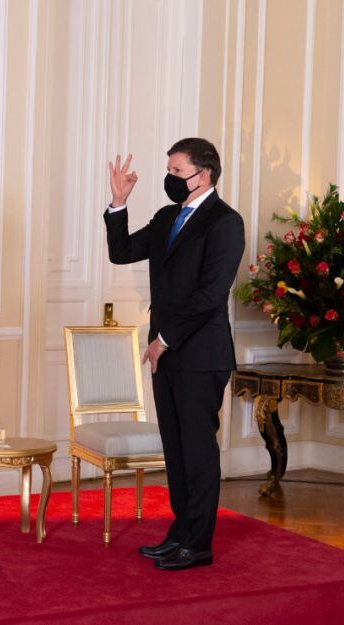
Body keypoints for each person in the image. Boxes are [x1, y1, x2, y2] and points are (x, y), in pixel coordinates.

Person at [102, 139, 245, 571]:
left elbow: (210, 295)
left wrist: (163, 340)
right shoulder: (168, 217)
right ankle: (181, 533)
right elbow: (121, 252)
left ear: (204, 174)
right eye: (169, 170)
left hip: (200, 354)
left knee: (198, 450)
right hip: (165, 352)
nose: (170, 178)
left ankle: (198, 544)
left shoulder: (225, 222)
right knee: (177, 449)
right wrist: (118, 203)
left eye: (177, 171)